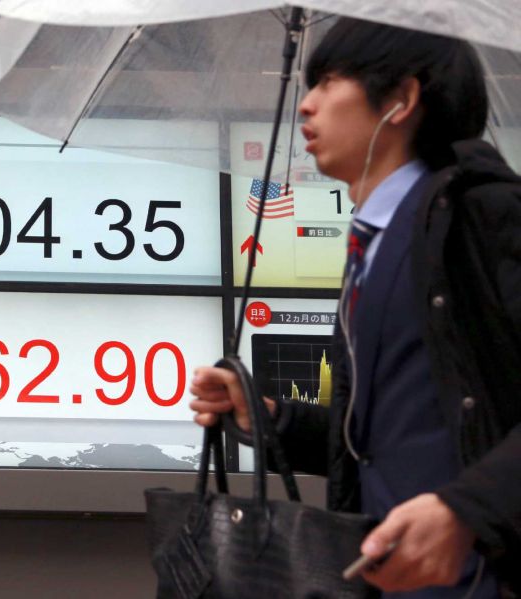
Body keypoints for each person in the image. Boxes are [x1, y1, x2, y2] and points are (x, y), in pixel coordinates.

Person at [190, 18, 520, 599]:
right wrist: (270, 418)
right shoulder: (373, 241)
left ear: (402, 100)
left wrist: (467, 510)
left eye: (329, 82)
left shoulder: (482, 215)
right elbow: (388, 440)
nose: (306, 107)